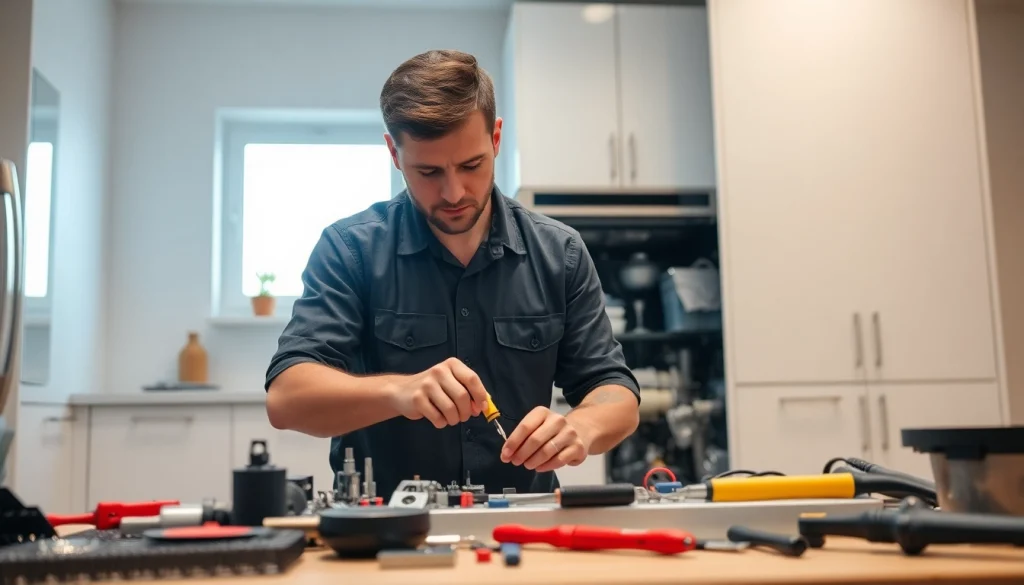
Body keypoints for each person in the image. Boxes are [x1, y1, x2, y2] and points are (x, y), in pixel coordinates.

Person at [264, 49, 640, 499]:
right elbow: (287, 399)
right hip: (389, 530)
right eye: (428, 171)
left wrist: (580, 427)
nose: (454, 192)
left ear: (496, 139)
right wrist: (399, 392)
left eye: (471, 165)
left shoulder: (560, 254)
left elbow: (615, 392)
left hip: (521, 526)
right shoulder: (350, 251)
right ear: (393, 153)